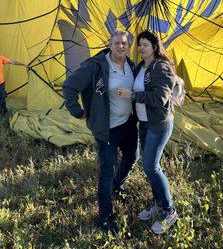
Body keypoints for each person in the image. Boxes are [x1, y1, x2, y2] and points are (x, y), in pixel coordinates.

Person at [62, 31, 138, 232]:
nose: (121, 46)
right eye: (116, 43)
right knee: (107, 170)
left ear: (128, 45)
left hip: (127, 124)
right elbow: (69, 86)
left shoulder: (130, 65)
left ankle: (117, 185)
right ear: (109, 45)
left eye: (124, 43)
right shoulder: (95, 66)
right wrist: (77, 111)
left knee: (132, 157)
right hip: (107, 129)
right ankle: (104, 217)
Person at [118, 30, 178, 234]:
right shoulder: (141, 67)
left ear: (154, 46)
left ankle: (169, 210)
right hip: (143, 123)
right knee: (149, 166)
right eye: (140, 45)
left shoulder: (161, 67)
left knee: (152, 167)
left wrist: (133, 95)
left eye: (145, 45)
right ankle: (158, 203)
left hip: (158, 124)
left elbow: (160, 98)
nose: (141, 48)